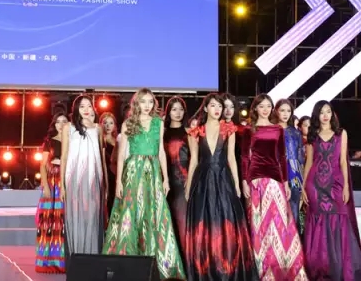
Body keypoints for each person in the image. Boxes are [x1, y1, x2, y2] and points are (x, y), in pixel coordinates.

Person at [103, 88, 185, 279]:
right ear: (136, 103)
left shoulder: (158, 123)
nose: (147, 105)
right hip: (133, 171)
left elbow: (161, 151)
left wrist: (165, 178)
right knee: (132, 212)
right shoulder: (128, 123)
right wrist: (118, 182)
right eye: (143, 101)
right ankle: (128, 264)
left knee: (155, 212)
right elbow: (121, 155)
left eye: (150, 102)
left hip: (153, 171)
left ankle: (158, 262)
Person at [185, 93, 254, 281]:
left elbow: (232, 157)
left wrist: (237, 184)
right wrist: (188, 187)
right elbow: (193, 160)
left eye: (220, 106)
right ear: (206, 108)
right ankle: (206, 269)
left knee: (226, 219)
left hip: (223, 179)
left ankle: (227, 268)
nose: (217, 109)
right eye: (213, 105)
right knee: (204, 221)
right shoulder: (196, 131)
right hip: (202, 180)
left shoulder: (228, 128)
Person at [302, 100, 361, 280]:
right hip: (315, 185)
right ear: (317, 115)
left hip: (336, 184)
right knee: (318, 222)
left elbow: (343, 162)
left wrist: (346, 185)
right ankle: (320, 268)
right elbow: (309, 162)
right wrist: (303, 187)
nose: (325, 115)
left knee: (339, 220)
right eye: (322, 112)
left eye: (328, 111)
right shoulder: (313, 135)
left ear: (332, 114)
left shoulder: (341, 134)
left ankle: (340, 268)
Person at [241, 94, 307, 280]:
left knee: (279, 223)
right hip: (255, 179)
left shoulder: (278, 129)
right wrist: (245, 180)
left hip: (275, 179)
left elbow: (282, 157)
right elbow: (245, 157)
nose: (265, 109)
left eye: (268, 106)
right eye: (261, 106)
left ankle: (280, 264)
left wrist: (285, 183)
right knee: (259, 224)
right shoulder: (249, 130)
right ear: (255, 108)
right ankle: (261, 267)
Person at [60, 95, 106, 258]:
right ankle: (76, 257)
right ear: (76, 109)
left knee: (92, 216)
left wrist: (105, 184)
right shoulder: (69, 127)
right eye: (82, 106)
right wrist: (62, 185)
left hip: (94, 178)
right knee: (75, 216)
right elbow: (64, 156)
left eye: (89, 106)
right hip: (74, 178)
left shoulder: (98, 128)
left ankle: (92, 258)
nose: (86, 110)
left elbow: (102, 158)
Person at [35, 112, 69, 273]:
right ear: (54, 124)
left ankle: (63, 260)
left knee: (64, 220)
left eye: (64, 121)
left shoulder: (73, 140)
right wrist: (45, 186)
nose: (61, 124)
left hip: (69, 179)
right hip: (53, 181)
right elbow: (42, 165)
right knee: (49, 220)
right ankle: (48, 261)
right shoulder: (49, 141)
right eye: (58, 122)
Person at [162, 96, 189, 255]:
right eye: (174, 109)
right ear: (168, 112)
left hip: (183, 182)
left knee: (183, 221)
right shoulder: (162, 133)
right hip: (165, 181)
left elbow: (195, 159)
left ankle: (185, 260)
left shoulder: (188, 133)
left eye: (181, 109)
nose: (178, 113)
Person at [275, 99, 304, 233]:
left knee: (293, 210)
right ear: (276, 111)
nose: (285, 113)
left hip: (294, 175)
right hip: (276, 173)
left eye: (288, 111)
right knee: (276, 210)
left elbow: (300, 158)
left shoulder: (296, 133)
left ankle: (294, 241)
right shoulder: (272, 130)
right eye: (282, 110)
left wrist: (302, 181)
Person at [100, 112, 118, 218]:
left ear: (115, 125)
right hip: (105, 174)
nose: (108, 126)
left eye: (111, 123)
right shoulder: (100, 141)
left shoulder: (118, 140)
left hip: (116, 174)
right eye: (105, 123)